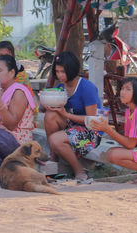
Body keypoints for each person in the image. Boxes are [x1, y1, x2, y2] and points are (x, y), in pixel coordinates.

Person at [44, 51, 102, 182]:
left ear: (71, 70)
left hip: (91, 133)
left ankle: (79, 171)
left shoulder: (87, 88)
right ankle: (54, 158)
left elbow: (92, 120)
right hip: (72, 127)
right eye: (57, 71)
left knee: (55, 140)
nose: (59, 75)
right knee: (50, 115)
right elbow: (58, 115)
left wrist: (66, 114)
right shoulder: (60, 88)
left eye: (62, 72)